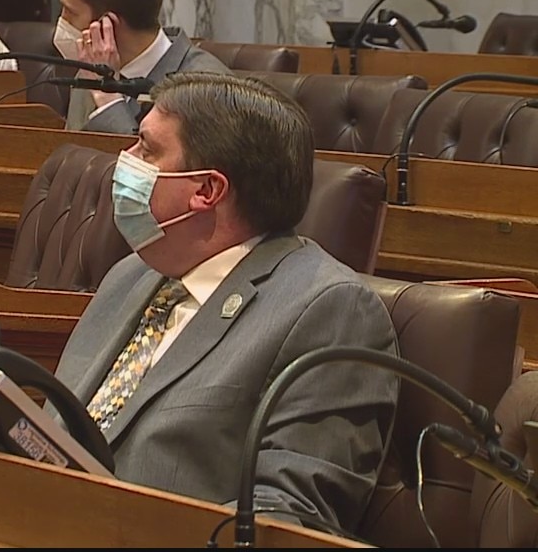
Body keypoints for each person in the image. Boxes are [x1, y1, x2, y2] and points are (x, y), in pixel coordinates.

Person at [51, 72, 398, 536]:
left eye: (147, 151)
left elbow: (290, 518)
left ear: (207, 191)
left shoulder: (331, 310)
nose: (124, 162)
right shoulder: (130, 275)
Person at [52, 0, 228, 134]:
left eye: (70, 12)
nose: (62, 20)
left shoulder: (207, 91)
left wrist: (108, 100)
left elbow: (145, 155)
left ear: (107, 25)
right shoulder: (90, 71)